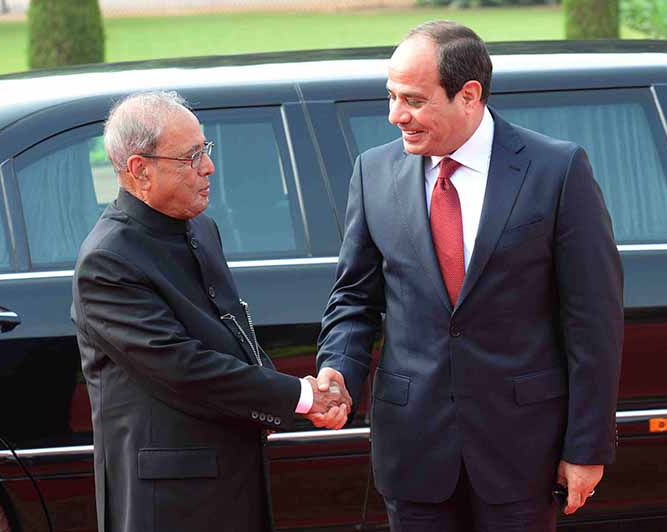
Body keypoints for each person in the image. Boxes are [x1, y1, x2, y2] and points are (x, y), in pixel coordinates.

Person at [314, 21, 623, 531]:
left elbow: (593, 322)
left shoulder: (556, 170)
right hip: (413, 453)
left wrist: (587, 447)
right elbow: (354, 299)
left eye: (413, 100)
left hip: (522, 454)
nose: (396, 115)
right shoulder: (373, 172)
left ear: (469, 95)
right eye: (391, 96)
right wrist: (338, 369)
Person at [71, 91, 351, 532]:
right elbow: (184, 368)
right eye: (191, 157)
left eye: (206, 149)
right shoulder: (107, 260)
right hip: (168, 501)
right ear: (140, 170)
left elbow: (232, 331)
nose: (209, 167)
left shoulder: (200, 227)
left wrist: (287, 390)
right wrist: (301, 396)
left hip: (233, 476)